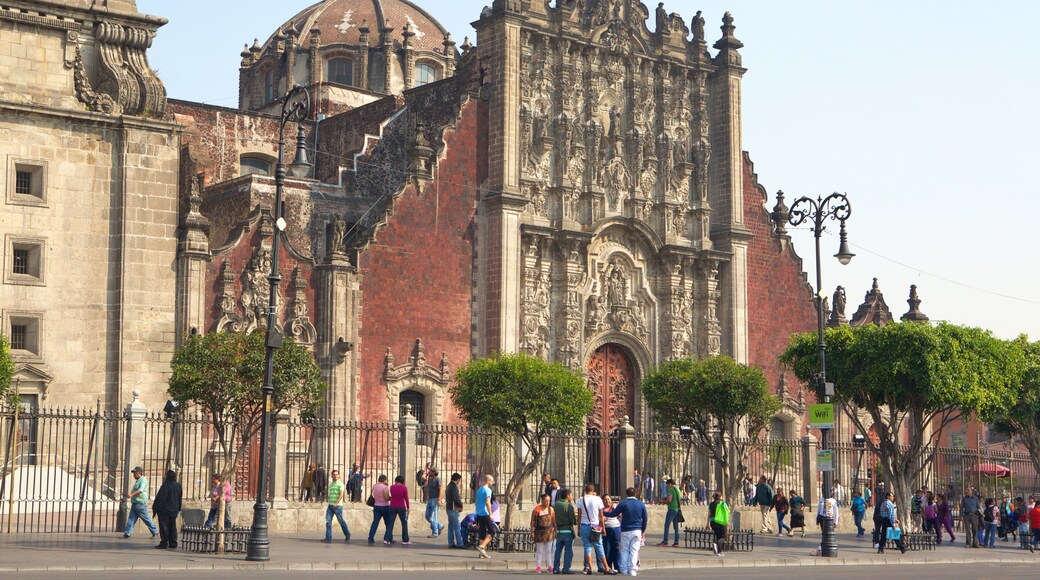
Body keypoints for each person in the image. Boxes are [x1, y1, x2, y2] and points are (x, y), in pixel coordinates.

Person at [603, 487, 648, 576]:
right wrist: (642, 530)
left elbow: (614, 514)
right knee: (634, 550)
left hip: (625, 530)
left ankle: (623, 569)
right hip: (637, 530)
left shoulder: (623, 503)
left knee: (624, 550)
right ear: (635, 493)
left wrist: (603, 513)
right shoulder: (641, 504)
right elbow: (645, 518)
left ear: (626, 494)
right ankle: (632, 569)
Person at [577, 483, 609, 574]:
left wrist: (578, 528)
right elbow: (601, 515)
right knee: (599, 546)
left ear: (585, 490)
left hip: (584, 525)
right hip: (595, 525)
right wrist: (603, 528)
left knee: (587, 547)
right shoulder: (598, 499)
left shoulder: (580, 500)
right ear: (593, 490)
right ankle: (606, 567)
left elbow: (579, 516)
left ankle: (590, 567)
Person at [123, 466, 158, 539]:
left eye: (135, 473)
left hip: (140, 503)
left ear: (140, 473)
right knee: (131, 519)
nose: (134, 475)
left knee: (146, 518)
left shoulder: (143, 480)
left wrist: (131, 494)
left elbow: (140, 490)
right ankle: (127, 533)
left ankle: (155, 531)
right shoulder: (139, 480)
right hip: (135, 503)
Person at [152, 469, 182, 549]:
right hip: (174, 509)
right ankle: (173, 542)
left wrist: (155, 508)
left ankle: (164, 542)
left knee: (164, 526)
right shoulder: (178, 486)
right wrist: (178, 508)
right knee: (173, 526)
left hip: (164, 510)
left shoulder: (165, 486)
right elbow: (179, 499)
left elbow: (160, 498)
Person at [530, 493, 557, 573]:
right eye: (546, 501)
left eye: (549, 501)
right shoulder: (536, 509)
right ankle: (538, 566)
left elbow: (553, 521)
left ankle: (550, 566)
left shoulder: (551, 509)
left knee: (549, 550)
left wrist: (556, 530)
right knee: (539, 550)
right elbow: (532, 521)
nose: (547, 503)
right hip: (539, 532)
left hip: (549, 532)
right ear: (542, 501)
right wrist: (532, 531)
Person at [322, 469, 351, 543]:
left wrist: (336, 503)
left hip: (338, 506)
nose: (335, 475)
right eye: (334, 474)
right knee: (328, 521)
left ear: (339, 475)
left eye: (336, 474)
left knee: (341, 521)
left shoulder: (340, 484)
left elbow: (341, 494)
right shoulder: (331, 484)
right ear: (332, 475)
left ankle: (347, 534)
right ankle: (328, 538)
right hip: (330, 505)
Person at [554, 488, 577, 573]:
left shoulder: (556, 504)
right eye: (571, 495)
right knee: (568, 551)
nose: (572, 497)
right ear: (567, 495)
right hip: (567, 530)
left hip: (559, 531)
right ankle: (566, 568)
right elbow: (573, 520)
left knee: (558, 551)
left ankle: (556, 568)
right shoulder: (569, 506)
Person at [475, 474, 496, 559]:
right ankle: (482, 546)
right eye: (491, 481)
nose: (492, 482)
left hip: (479, 513)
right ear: (488, 481)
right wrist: (490, 513)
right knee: (492, 531)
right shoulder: (488, 490)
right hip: (485, 513)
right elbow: (488, 502)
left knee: (482, 532)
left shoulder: (479, 489)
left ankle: (482, 554)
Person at [368, 474, 393, 544]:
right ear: (385, 480)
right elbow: (387, 498)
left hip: (376, 505)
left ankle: (370, 537)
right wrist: (391, 498)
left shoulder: (375, 486)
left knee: (375, 523)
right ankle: (388, 538)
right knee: (388, 523)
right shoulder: (385, 487)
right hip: (385, 506)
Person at [657, 478, 682, 547]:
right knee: (676, 526)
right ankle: (676, 542)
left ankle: (665, 541)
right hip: (677, 509)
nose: (667, 486)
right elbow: (680, 499)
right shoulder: (677, 490)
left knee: (666, 525)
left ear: (670, 484)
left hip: (671, 509)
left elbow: (669, 500)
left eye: (668, 485)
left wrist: (663, 501)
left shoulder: (671, 490)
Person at [389, 474, 412, 545]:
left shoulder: (392, 487)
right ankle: (405, 540)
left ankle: (388, 538)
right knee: (404, 523)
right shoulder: (404, 488)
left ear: (396, 480)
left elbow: (392, 496)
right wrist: (408, 508)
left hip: (392, 506)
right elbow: (406, 498)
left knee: (390, 523)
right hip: (401, 507)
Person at [707, 491, 729, 557]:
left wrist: (707, 523)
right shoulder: (723, 503)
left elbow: (709, 514)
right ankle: (716, 544)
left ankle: (720, 551)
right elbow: (727, 512)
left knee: (718, 536)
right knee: (723, 537)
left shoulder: (711, 504)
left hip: (713, 522)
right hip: (721, 521)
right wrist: (727, 522)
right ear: (720, 497)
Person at [602, 495, 621, 573]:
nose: (607, 501)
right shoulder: (601, 509)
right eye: (605, 500)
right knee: (607, 548)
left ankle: (618, 566)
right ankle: (608, 567)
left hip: (616, 528)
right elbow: (601, 519)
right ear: (603, 501)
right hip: (607, 528)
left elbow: (620, 515)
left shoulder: (615, 507)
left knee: (616, 548)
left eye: (608, 499)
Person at [446, 472, 465, 549]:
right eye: (459, 480)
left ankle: (451, 543)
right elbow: (456, 498)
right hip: (454, 508)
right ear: (457, 479)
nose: (459, 482)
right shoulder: (454, 487)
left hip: (449, 508)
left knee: (450, 526)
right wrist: (461, 504)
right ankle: (459, 543)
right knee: (457, 526)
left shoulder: (449, 486)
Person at [425, 468, 444, 538]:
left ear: (434, 472)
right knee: (427, 516)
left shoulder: (438, 479)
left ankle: (435, 532)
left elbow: (441, 489)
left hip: (435, 499)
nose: (429, 472)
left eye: (431, 471)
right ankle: (440, 525)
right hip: (430, 500)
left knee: (433, 517)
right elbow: (423, 478)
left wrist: (439, 499)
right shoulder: (430, 480)